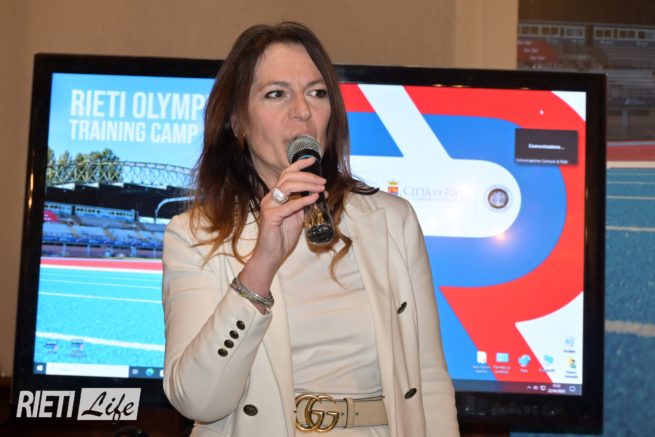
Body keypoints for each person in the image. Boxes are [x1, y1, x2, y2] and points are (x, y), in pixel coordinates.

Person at [162, 22, 459, 437]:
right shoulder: (194, 235)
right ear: (238, 122)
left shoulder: (392, 220)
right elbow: (197, 401)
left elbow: (429, 380)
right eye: (276, 94)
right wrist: (262, 266)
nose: (302, 110)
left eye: (317, 93)